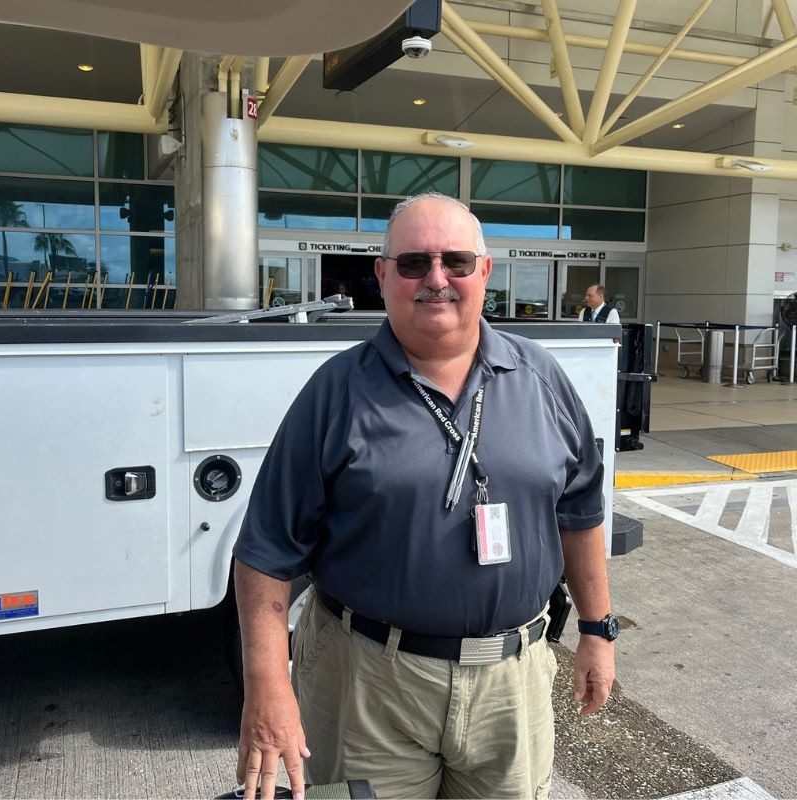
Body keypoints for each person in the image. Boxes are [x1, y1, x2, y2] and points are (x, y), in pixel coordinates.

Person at [233, 192, 617, 800]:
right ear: (383, 277)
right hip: (367, 683)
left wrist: (597, 631)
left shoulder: (543, 380)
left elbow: (580, 512)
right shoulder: (335, 392)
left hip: (511, 684)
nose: (436, 279)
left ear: (484, 273)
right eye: (413, 263)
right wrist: (267, 685)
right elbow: (265, 551)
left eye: (456, 262)